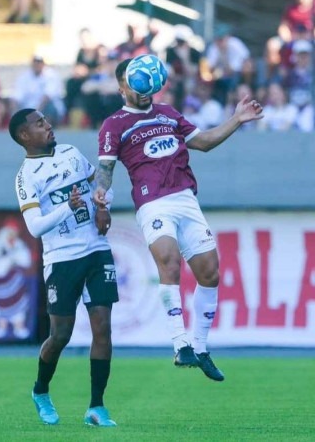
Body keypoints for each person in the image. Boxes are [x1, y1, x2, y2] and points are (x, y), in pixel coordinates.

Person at [93, 58, 264, 382]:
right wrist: (101, 196)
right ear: (122, 88)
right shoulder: (113, 125)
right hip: (153, 203)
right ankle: (179, 342)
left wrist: (238, 119)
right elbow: (105, 170)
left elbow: (205, 142)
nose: (142, 92)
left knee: (210, 273)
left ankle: (200, 347)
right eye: (133, 85)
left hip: (186, 199)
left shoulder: (168, 113)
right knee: (170, 263)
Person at [9, 108, 118, 427]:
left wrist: (102, 206)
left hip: (97, 250)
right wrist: (67, 209)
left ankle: (96, 407)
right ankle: (40, 390)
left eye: (46, 121)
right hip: (61, 258)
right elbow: (34, 227)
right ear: (24, 136)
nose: (48, 126)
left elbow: (101, 182)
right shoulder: (25, 176)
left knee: (102, 328)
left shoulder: (71, 152)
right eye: (39, 124)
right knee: (60, 335)